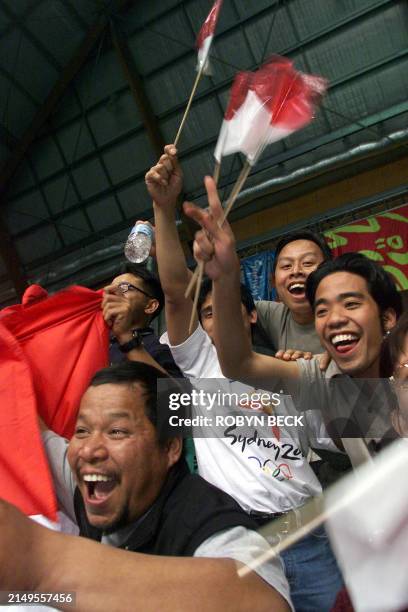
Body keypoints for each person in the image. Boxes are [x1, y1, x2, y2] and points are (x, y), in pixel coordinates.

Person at [147, 145, 343, 611]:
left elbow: (339, 434)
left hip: (312, 536)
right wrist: (163, 206)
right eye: (207, 314)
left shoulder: (289, 371)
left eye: (225, 310)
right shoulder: (200, 366)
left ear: (251, 318)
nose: (212, 322)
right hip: (246, 545)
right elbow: (176, 295)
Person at [16, 360, 292, 611]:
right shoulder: (91, 485)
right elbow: (29, 427)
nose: (89, 450)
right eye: (82, 431)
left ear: (170, 447)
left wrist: (47, 563)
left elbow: (263, 600)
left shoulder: (210, 528)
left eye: (117, 432)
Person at [184, 175, 402, 466]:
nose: (334, 319)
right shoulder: (324, 378)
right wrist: (225, 277)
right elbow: (239, 364)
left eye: (350, 304)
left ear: (387, 317)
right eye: (322, 310)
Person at [255, 230, 332, 357]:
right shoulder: (270, 315)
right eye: (286, 266)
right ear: (273, 281)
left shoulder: (347, 317)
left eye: (307, 263)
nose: (296, 271)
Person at [102, 262, 182, 377]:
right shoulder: (100, 342)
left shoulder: (156, 350)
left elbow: (173, 394)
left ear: (150, 306)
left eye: (124, 288)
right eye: (110, 290)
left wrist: (127, 338)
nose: (113, 295)